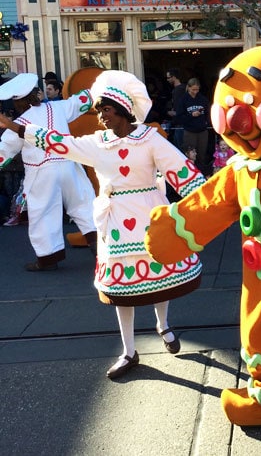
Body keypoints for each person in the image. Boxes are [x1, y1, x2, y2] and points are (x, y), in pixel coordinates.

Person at [0, 70, 206, 376]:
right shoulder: (98, 143)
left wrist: (208, 208)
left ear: (123, 111)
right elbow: (58, 142)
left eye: (106, 111)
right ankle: (129, 351)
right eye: (98, 111)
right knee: (123, 288)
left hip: (150, 215)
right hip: (116, 221)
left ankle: (163, 326)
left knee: (157, 278)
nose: (101, 118)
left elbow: (184, 172)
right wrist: (17, 128)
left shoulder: (149, 140)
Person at [0, 73, 96, 271]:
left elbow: (4, 153)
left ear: (17, 102)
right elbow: (83, 101)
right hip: (68, 164)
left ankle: (48, 258)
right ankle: (100, 248)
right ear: (36, 93)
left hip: (41, 173)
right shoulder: (58, 107)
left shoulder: (19, 124)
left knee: (44, 214)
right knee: (84, 205)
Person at [175, 77, 211, 175]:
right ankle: (191, 174)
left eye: (197, 89)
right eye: (193, 89)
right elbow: (179, 117)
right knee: (190, 154)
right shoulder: (183, 100)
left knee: (202, 155)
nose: (195, 92)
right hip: (189, 131)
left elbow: (208, 113)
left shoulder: (203, 99)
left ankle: (202, 174)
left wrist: (207, 122)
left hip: (202, 131)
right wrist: (191, 115)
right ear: (188, 87)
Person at [165, 68, 185, 147]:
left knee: (179, 148)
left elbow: (178, 108)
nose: (167, 80)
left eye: (168, 77)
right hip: (182, 122)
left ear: (174, 77)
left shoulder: (178, 90)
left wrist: (172, 112)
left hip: (180, 123)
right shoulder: (184, 88)